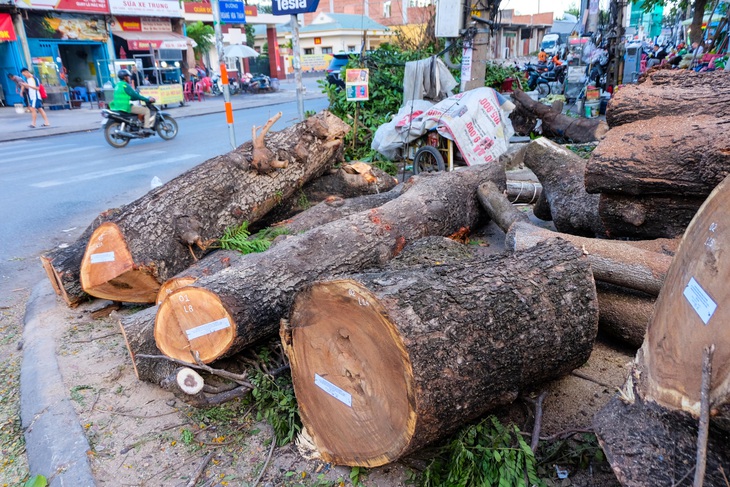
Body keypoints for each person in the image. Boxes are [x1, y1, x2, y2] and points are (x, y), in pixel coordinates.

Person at [110, 69, 155, 133]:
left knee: (137, 108)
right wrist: (147, 99)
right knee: (146, 110)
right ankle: (146, 128)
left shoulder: (117, 85)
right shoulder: (125, 85)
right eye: (128, 76)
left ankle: (137, 124)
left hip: (117, 106)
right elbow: (135, 96)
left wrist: (135, 96)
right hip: (125, 107)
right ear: (125, 77)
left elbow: (129, 97)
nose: (129, 78)